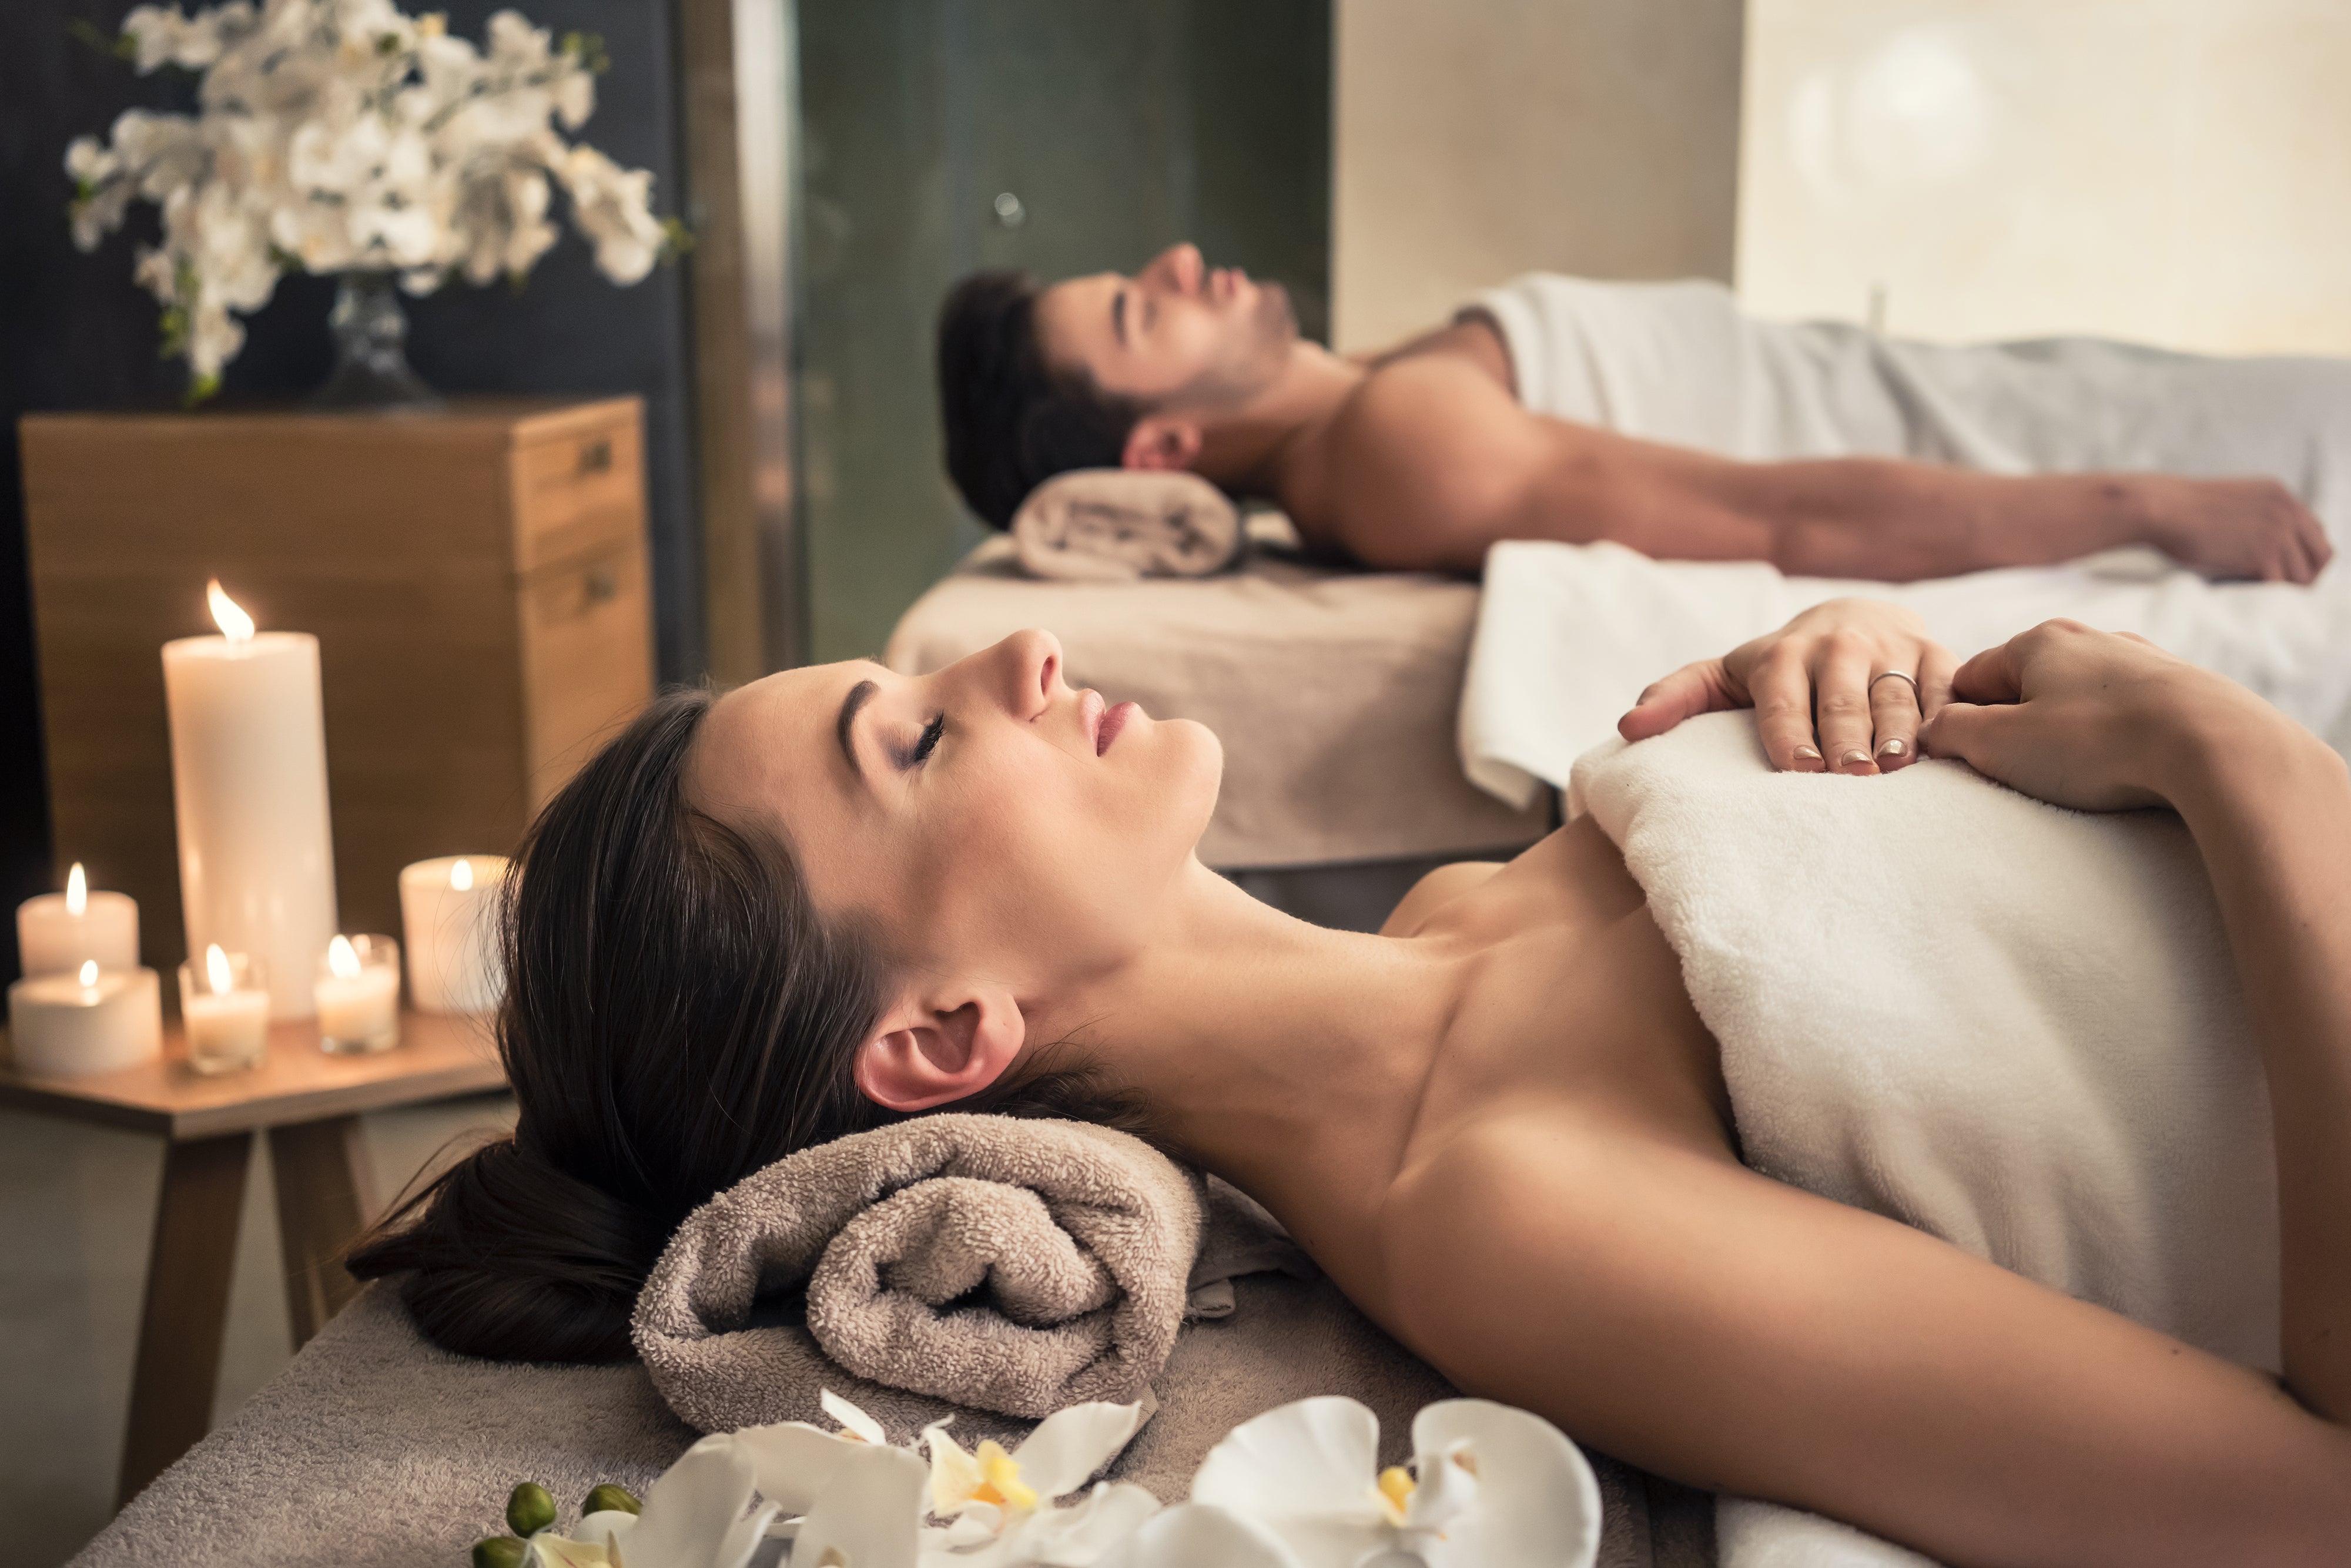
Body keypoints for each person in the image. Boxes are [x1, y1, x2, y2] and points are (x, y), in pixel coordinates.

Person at [353, 603, 2351, 1563]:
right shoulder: (1496, 1206)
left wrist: (1870, 678)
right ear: (947, 1036)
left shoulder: (1468, 898)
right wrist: (2227, 750)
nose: (1019, 658)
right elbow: (2306, 1504)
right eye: (925, 745)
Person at [935, 245, 2340, 585]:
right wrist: (2149, 505)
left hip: (2013, 400)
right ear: (1165, 449)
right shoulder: (1395, 451)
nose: (1179, 264)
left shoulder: (1372, 390)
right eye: (1141, 311)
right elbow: (1776, 517)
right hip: (2063, 466)